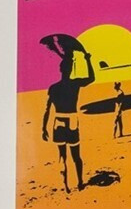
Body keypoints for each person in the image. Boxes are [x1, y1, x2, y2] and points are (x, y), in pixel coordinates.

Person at [38, 33, 96, 192]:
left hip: (58, 122)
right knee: (76, 156)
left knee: (62, 157)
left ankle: (66, 185)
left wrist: (44, 128)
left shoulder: (53, 88)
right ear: (71, 70)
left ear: (60, 70)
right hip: (71, 121)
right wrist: (87, 60)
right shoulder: (75, 84)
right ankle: (80, 183)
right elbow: (91, 78)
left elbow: (47, 110)